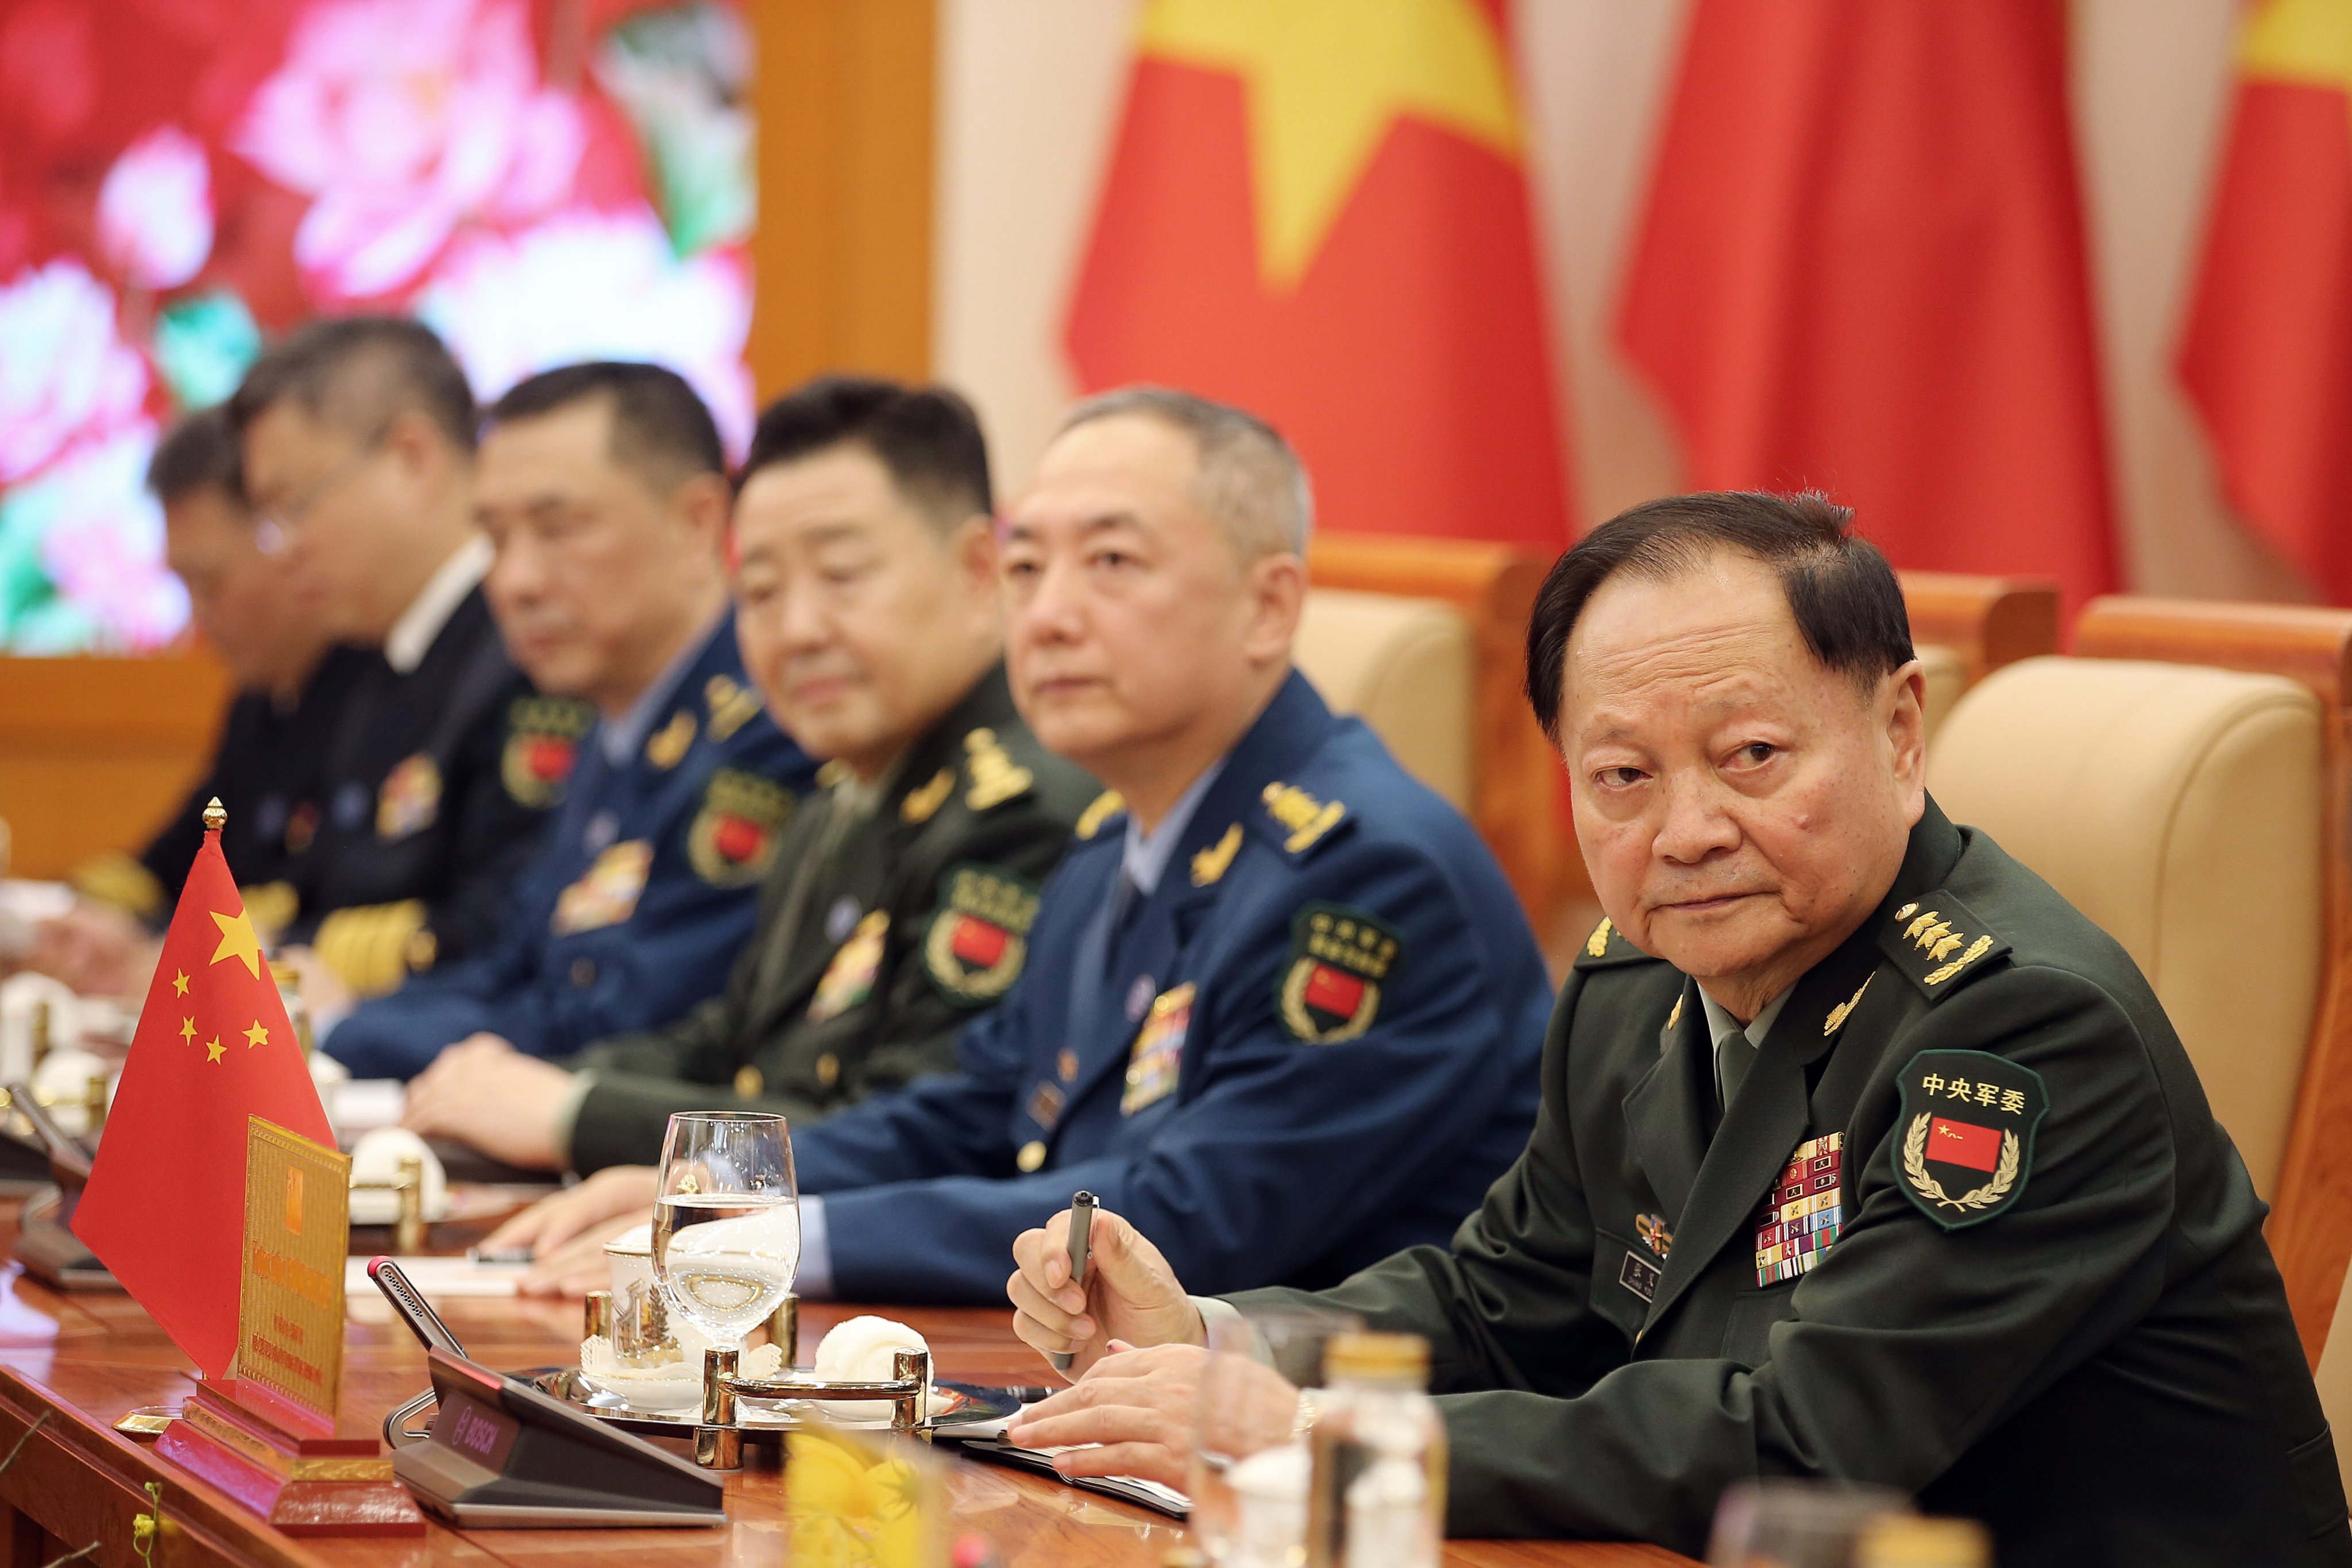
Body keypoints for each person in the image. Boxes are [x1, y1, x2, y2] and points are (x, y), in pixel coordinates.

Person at [1002, 492, 2352, 1566]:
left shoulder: (2019, 1035)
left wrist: (1309, 1427)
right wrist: (1216, 1341)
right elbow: (1500, 1303)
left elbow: (1810, 1446)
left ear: (1897, 729)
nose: (1690, 832)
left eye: (1754, 758)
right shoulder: (1634, 985)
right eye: (1624, 778)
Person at [487, 387, 1550, 1306]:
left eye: (1112, 563)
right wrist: (728, 1187)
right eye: (1029, 567)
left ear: (1269, 606)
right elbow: (969, 1111)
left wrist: (785, 1242)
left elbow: (1190, 1216)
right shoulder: (1113, 844)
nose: (1046, 616)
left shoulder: (1365, 874)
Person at [401, 376, 1097, 1179]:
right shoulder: (840, 799)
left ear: (981, 569)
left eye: (841, 575)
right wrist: (531, 1086)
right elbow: (730, 1044)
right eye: (760, 589)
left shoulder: (1021, 808)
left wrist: (577, 1115)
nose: (796, 630)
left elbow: (926, 1137)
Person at [319, 362, 817, 1082]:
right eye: (494, 540)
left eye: (558, 530)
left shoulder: (769, 728)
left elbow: (621, 1018)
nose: (517, 582)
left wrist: (343, 1030)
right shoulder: (614, 721)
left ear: (697, 523)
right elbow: (514, 969)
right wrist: (343, 1019)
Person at [231, 318, 557, 998]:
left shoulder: (526, 645)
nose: (282, 548)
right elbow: (321, 887)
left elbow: (500, 925)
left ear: (413, 458)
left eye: (294, 505)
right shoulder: (376, 658)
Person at [30, 406, 366, 998]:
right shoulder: (261, 702)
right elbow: (167, 868)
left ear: (287, 540)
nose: (198, 615)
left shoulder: (376, 688)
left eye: (210, 582)